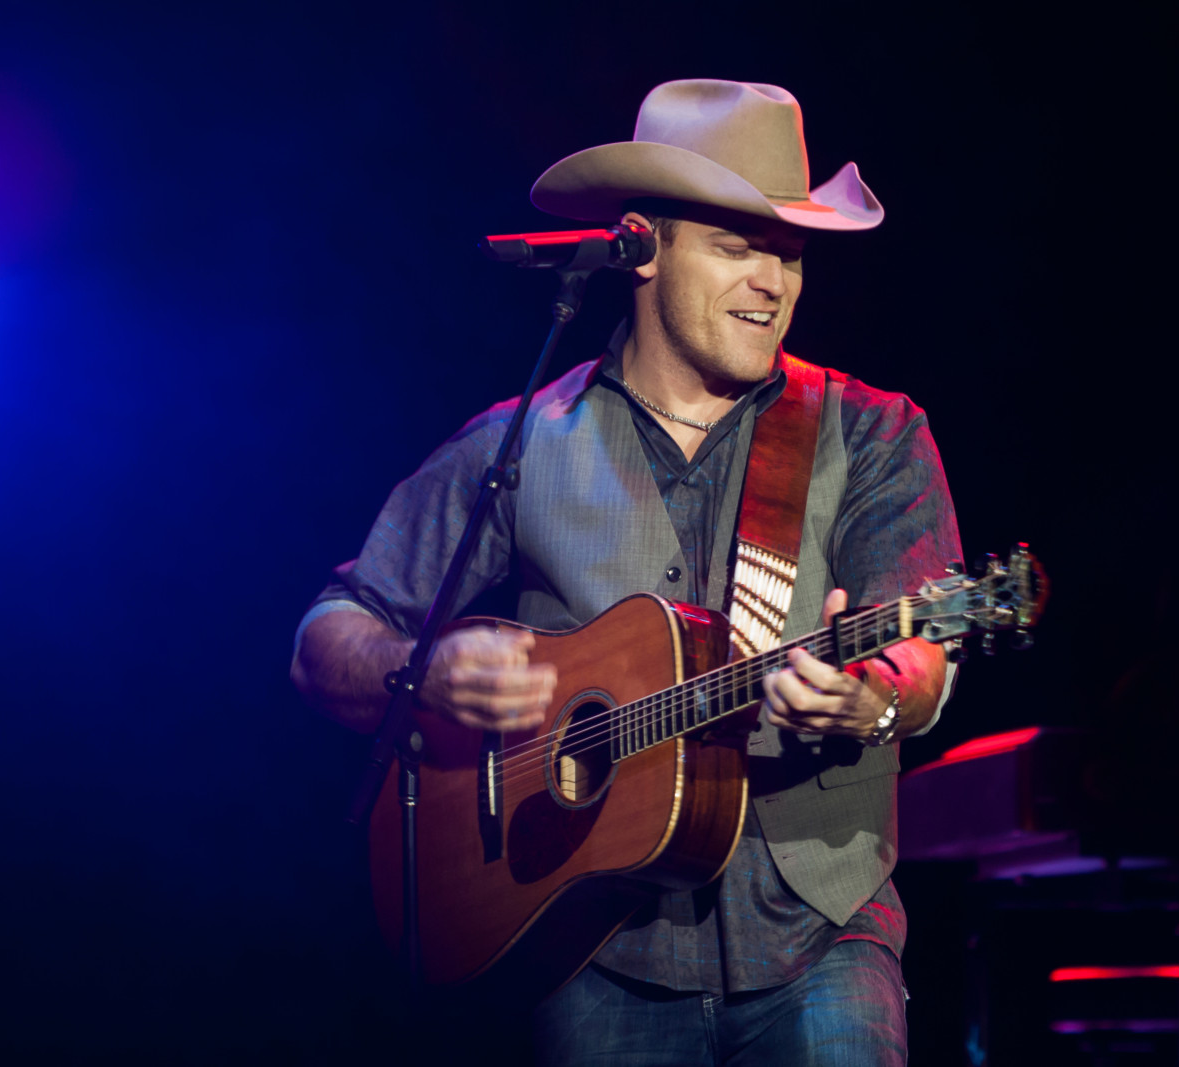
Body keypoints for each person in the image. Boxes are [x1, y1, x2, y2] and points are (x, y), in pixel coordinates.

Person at [291, 78, 962, 1065]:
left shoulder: (871, 431)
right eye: (737, 247)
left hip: (820, 930)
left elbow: (920, 647)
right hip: (589, 945)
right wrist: (422, 673)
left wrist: (878, 697)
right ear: (641, 247)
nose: (772, 284)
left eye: (788, 254)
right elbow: (328, 632)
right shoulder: (520, 442)